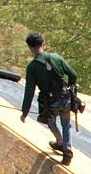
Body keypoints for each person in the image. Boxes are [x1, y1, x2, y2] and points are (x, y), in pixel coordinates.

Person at [20, 33, 78, 162]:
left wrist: (25, 112)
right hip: (65, 96)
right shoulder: (56, 57)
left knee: (51, 122)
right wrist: (71, 87)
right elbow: (73, 74)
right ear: (43, 43)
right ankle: (67, 149)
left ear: (30, 47)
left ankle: (60, 142)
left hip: (50, 102)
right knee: (67, 124)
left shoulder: (32, 67)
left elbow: (29, 91)